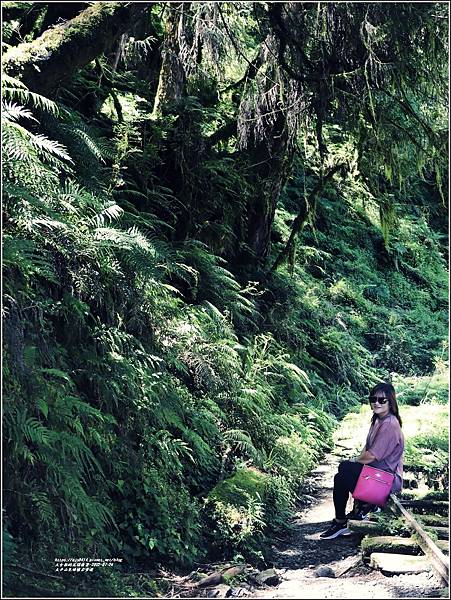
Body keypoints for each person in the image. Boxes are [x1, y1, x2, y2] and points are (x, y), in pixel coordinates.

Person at [319, 382, 404, 540]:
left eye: (381, 400)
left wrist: (353, 461)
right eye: (373, 399)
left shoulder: (390, 424)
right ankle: (340, 520)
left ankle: (368, 506)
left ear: (390, 402)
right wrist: (355, 462)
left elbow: (371, 456)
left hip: (386, 481)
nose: (376, 403)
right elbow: (366, 448)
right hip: (376, 476)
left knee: (345, 467)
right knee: (340, 477)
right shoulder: (378, 420)